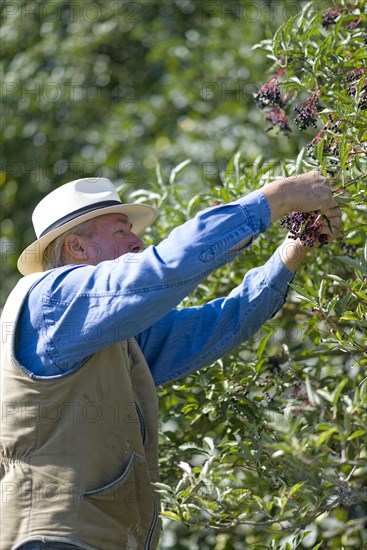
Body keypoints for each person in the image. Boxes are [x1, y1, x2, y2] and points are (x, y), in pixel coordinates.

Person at [0, 173, 341, 550]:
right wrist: (273, 200)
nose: (138, 242)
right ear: (77, 247)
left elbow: (221, 325)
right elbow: (162, 269)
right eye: (120, 232)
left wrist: (293, 249)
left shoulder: (111, 333)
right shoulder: (50, 301)